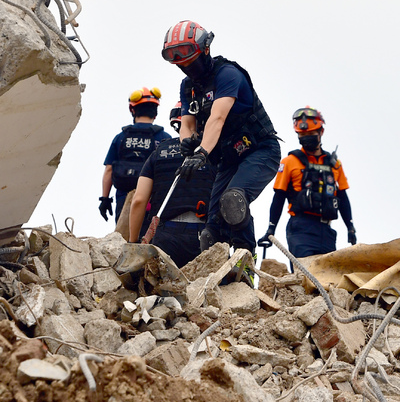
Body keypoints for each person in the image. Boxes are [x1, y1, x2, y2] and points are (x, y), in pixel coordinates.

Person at [161, 20, 281, 261]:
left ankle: (246, 260)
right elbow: (188, 123)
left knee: (233, 201)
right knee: (210, 231)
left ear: (204, 49)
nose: (183, 63)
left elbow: (217, 117)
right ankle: (219, 275)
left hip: (260, 150)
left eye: (186, 55)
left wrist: (202, 152)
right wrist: (187, 144)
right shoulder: (188, 87)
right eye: (176, 59)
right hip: (228, 160)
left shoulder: (227, 74)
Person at [258, 107, 356, 257]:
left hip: (327, 231)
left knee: (327, 278)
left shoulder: (335, 165)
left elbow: (342, 197)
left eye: (310, 134)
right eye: (302, 135)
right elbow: (279, 197)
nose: (306, 138)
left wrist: (350, 227)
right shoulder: (290, 162)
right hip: (300, 229)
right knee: (305, 274)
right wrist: (271, 229)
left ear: (321, 132)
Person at [129, 102, 215, 267]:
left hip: (165, 238)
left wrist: (133, 243)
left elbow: (139, 200)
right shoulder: (214, 153)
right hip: (205, 236)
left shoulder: (159, 152)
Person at [99, 87, 171, 223]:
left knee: (124, 238)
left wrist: (105, 199)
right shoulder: (164, 138)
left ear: (132, 110)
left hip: (124, 198)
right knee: (150, 239)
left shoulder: (120, 138)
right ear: (155, 112)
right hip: (153, 199)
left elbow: (109, 170)